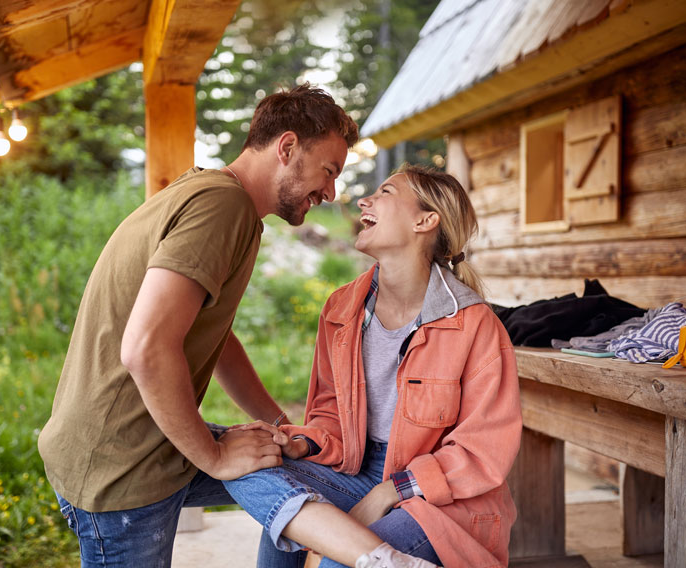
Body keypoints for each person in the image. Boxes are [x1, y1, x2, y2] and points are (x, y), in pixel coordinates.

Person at [37, 83, 359, 567]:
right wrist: (213, 456)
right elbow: (146, 348)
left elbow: (212, 335)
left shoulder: (234, 210)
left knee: (293, 472)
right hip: (120, 464)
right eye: (328, 171)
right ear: (287, 147)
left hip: (150, 441)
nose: (331, 192)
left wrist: (277, 425)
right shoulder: (219, 206)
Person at [224, 164, 523, 568]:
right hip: (356, 465)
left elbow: (482, 451)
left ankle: (377, 556)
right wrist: (301, 443)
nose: (365, 200)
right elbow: (330, 412)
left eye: (385, 192)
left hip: (441, 499)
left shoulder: (474, 324)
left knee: (338, 562)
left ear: (425, 220)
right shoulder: (341, 308)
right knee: (244, 458)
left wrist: (390, 492)